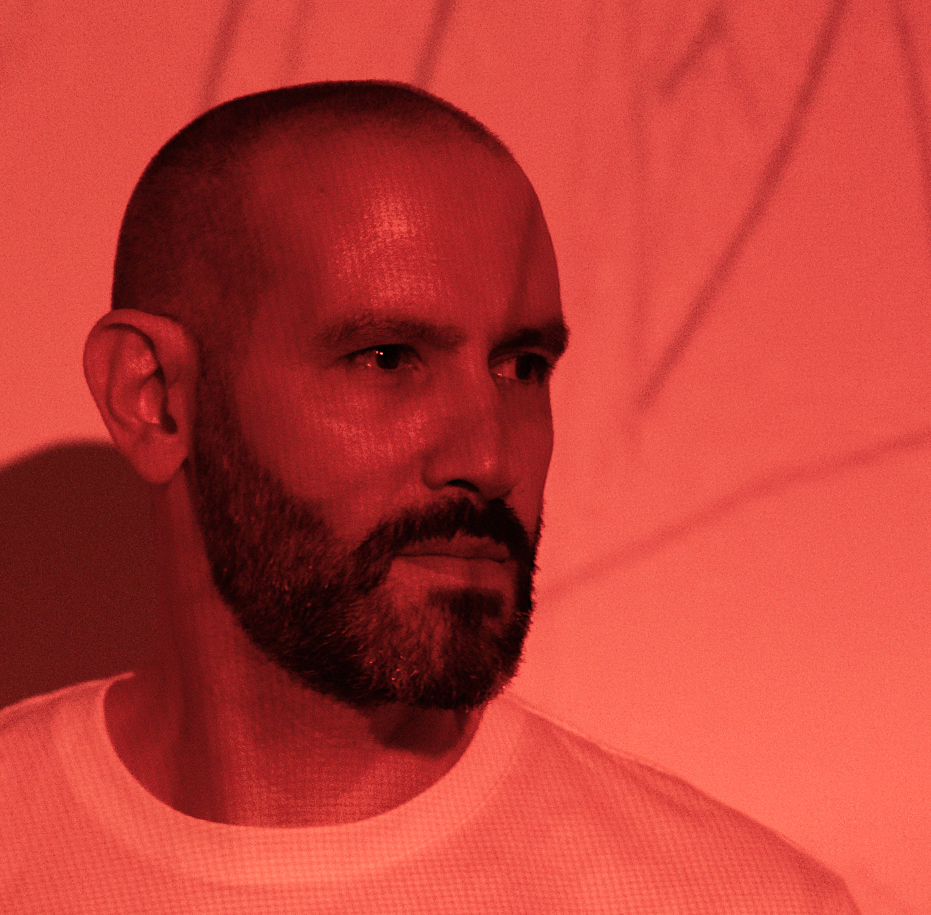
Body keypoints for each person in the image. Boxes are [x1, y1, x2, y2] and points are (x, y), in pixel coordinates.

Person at [0, 81, 859, 913]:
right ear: (153, 398)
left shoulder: (736, 899)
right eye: (386, 358)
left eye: (522, 366)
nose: (489, 458)